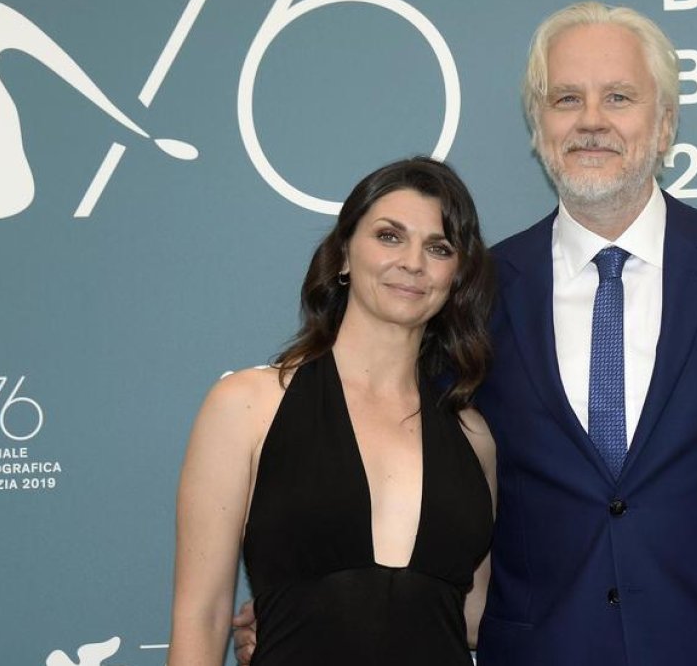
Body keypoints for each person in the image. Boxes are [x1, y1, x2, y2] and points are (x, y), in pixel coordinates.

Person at [235, 2, 697, 666]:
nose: (591, 120)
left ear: (665, 122)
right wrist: (315, 608)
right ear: (538, 125)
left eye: (618, 97)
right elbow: (395, 453)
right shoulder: (470, 291)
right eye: (565, 98)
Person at [169, 157, 497, 666]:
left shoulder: (472, 437)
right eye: (390, 236)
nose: (413, 261)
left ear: (456, 277)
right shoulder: (247, 406)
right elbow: (203, 616)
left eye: (438, 247)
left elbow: (472, 618)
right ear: (343, 254)